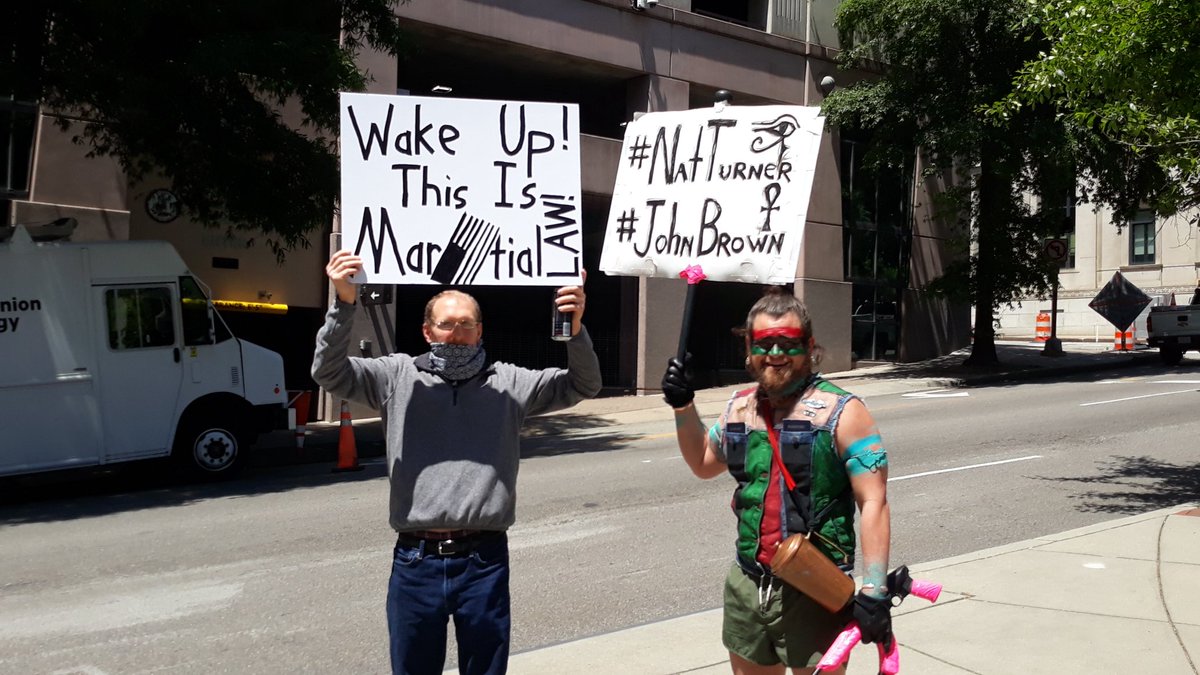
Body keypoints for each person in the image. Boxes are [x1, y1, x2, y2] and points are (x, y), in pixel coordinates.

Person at [312, 249, 602, 675]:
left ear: (480, 331)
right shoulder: (395, 376)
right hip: (415, 563)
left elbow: (584, 383)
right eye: (447, 324)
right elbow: (328, 373)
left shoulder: (511, 383)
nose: (457, 333)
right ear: (427, 330)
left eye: (466, 325)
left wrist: (574, 331)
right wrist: (343, 302)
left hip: (484, 561)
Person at [661, 289, 891, 675]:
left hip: (815, 587)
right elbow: (702, 462)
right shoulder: (739, 407)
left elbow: (874, 501)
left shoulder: (843, 412)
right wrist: (683, 407)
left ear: (810, 346)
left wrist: (875, 588)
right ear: (749, 348)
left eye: (790, 343)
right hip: (748, 583)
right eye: (766, 343)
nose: (777, 354)